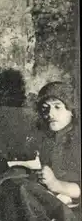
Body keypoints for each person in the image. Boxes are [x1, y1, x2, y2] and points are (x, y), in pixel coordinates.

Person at [23, 81, 81, 209]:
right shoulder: (43, 136)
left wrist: (55, 184)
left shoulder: (77, 139)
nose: (50, 113)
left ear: (71, 110)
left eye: (57, 107)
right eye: (45, 107)